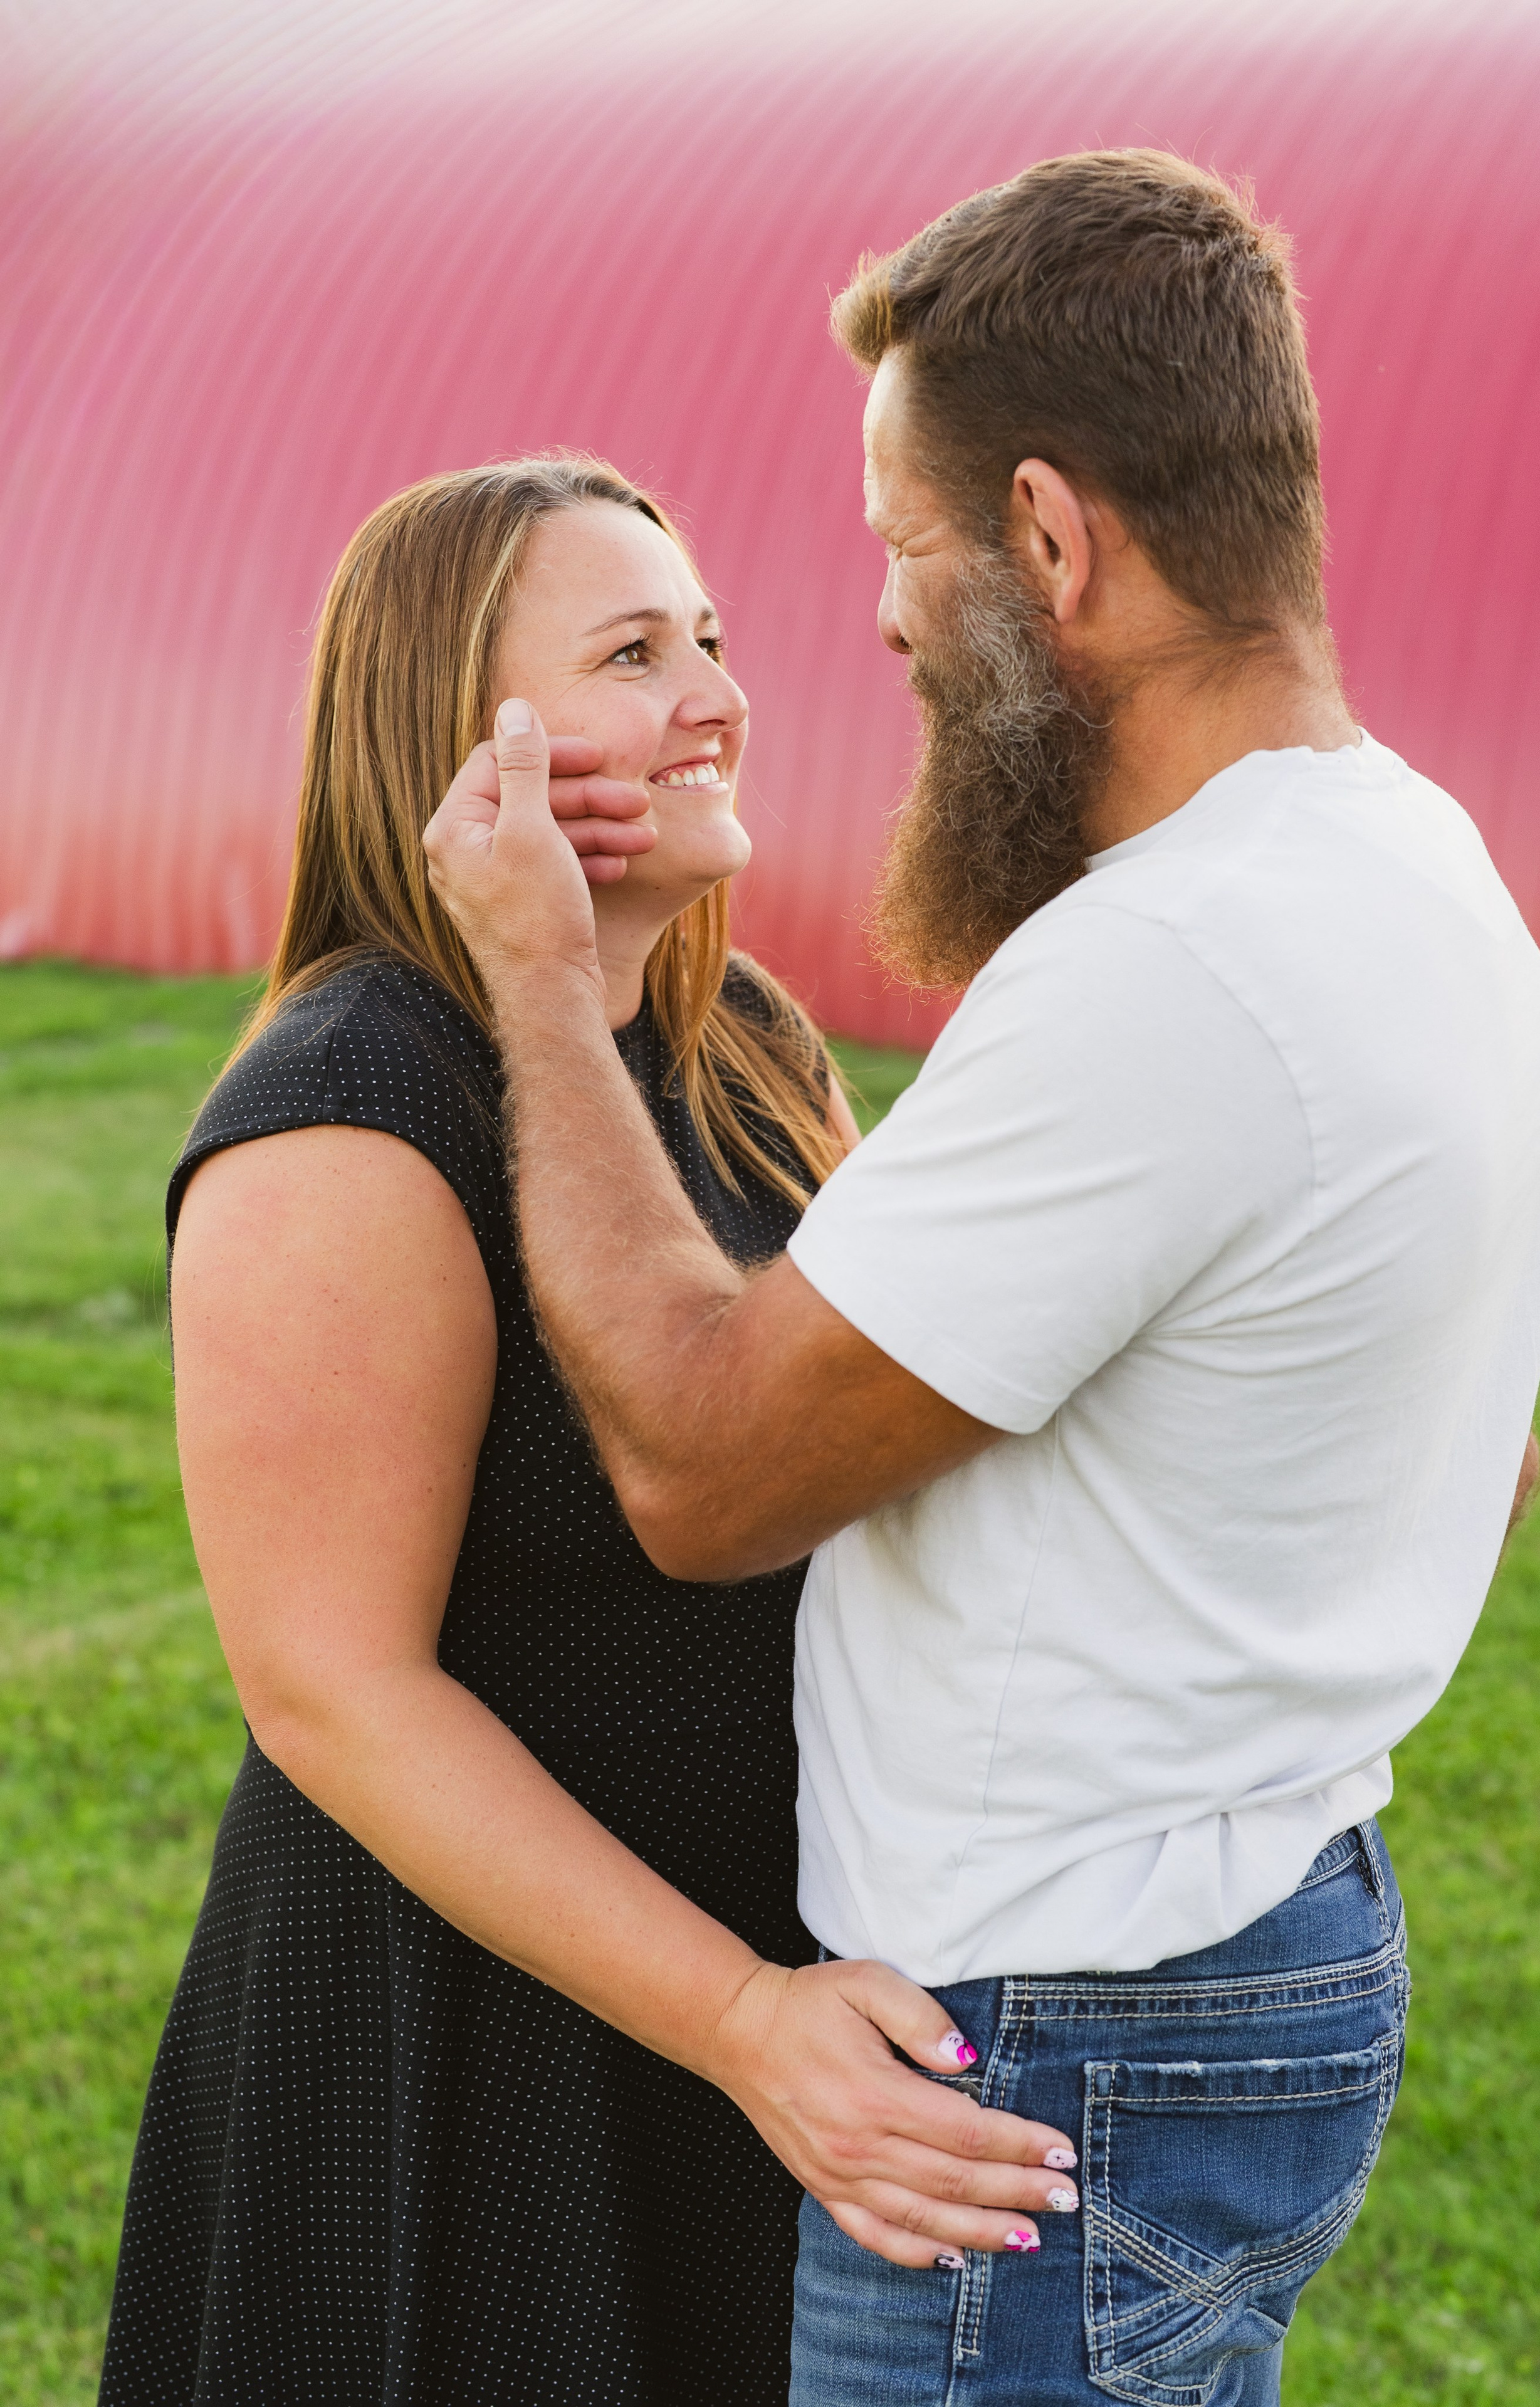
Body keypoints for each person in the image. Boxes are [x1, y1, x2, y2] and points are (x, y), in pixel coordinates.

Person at [421, 154, 1540, 2405]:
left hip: (1060, 2054)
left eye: (904, 550)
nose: (868, 619)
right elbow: (1484, 1453)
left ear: (1052, 538)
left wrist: (545, 994)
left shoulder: (1174, 970)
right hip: (1265, 1941)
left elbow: (703, 1466)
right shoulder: (1412, 860)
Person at [98, 457, 1079, 2407]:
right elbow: (332, 1694)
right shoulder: (347, 1111)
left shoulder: (754, 1049)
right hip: (470, 2021)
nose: (715, 689)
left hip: (761, 1975)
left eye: (706, 635)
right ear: (456, 748)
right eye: (632, 654)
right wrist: (738, 2017)